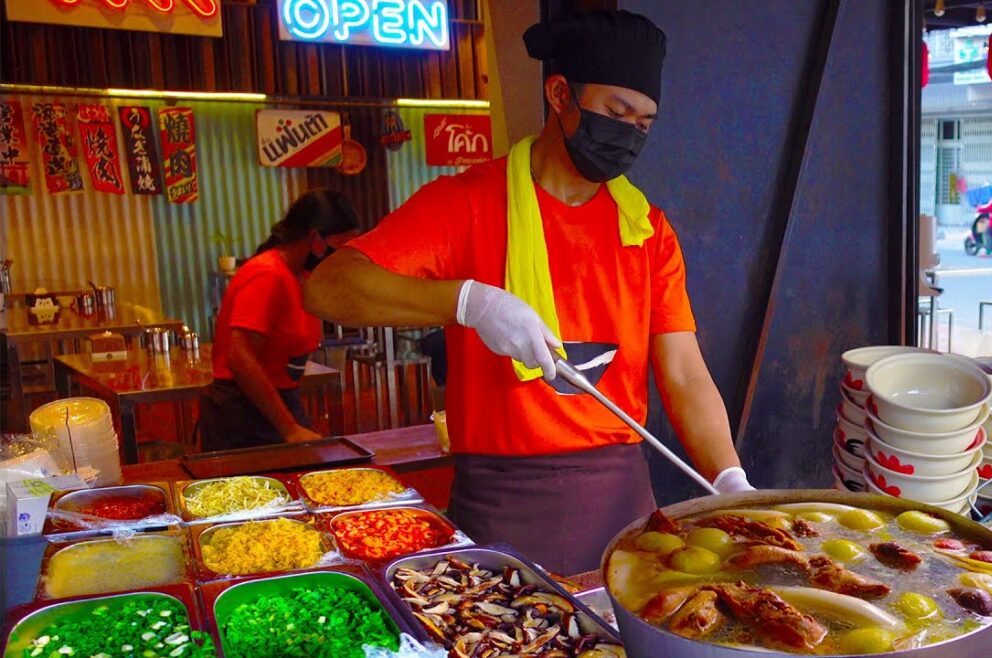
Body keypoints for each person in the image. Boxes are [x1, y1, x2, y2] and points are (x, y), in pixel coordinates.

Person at [305, 10, 751, 574]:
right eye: (616, 113)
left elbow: (685, 372)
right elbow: (328, 288)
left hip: (626, 505)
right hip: (502, 502)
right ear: (559, 93)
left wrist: (730, 479)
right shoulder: (467, 203)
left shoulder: (646, 229)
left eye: (643, 124)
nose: (629, 135)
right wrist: (468, 302)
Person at [200, 190, 360, 452]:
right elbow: (239, 358)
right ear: (314, 239)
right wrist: (289, 428)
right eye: (341, 248)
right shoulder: (267, 275)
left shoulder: (300, 276)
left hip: (277, 402)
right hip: (243, 413)